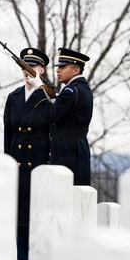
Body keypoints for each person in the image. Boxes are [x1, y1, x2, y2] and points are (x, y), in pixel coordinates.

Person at [2, 47, 51, 260]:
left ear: (41, 70)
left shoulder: (47, 97)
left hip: (39, 159)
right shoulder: (13, 97)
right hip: (17, 158)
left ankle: (37, 259)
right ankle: (21, 259)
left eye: (33, 67)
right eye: (25, 66)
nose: (28, 71)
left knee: (37, 212)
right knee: (20, 214)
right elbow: (8, 133)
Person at [23, 47, 93, 185]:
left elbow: (49, 115)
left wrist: (39, 87)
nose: (57, 70)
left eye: (63, 66)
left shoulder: (71, 90)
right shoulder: (82, 89)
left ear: (76, 70)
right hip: (77, 146)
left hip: (67, 149)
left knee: (64, 191)